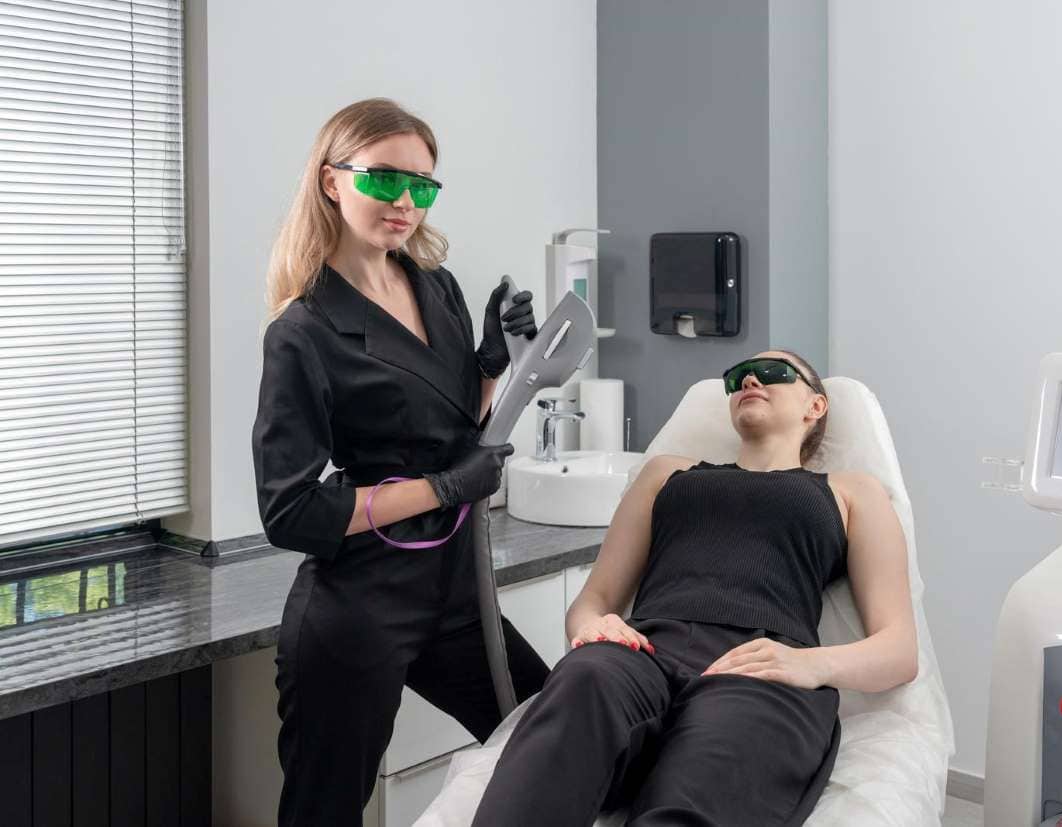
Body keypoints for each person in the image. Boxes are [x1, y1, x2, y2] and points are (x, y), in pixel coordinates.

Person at [251, 98, 549, 827]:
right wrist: (445, 487)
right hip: (359, 606)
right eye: (386, 180)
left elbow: (453, 430)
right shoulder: (304, 329)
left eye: (422, 185)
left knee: (552, 730)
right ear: (331, 180)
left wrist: (491, 363)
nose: (406, 202)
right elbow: (290, 509)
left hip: (452, 594)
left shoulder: (434, 286)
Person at [472, 351, 919, 826]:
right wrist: (595, 626)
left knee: (708, 771)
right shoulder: (668, 474)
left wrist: (809, 663)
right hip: (641, 653)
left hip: (758, 670)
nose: (749, 378)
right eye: (737, 376)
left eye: (774, 373)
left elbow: (899, 650)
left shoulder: (850, 491)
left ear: (815, 407)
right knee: (583, 679)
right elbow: (593, 602)